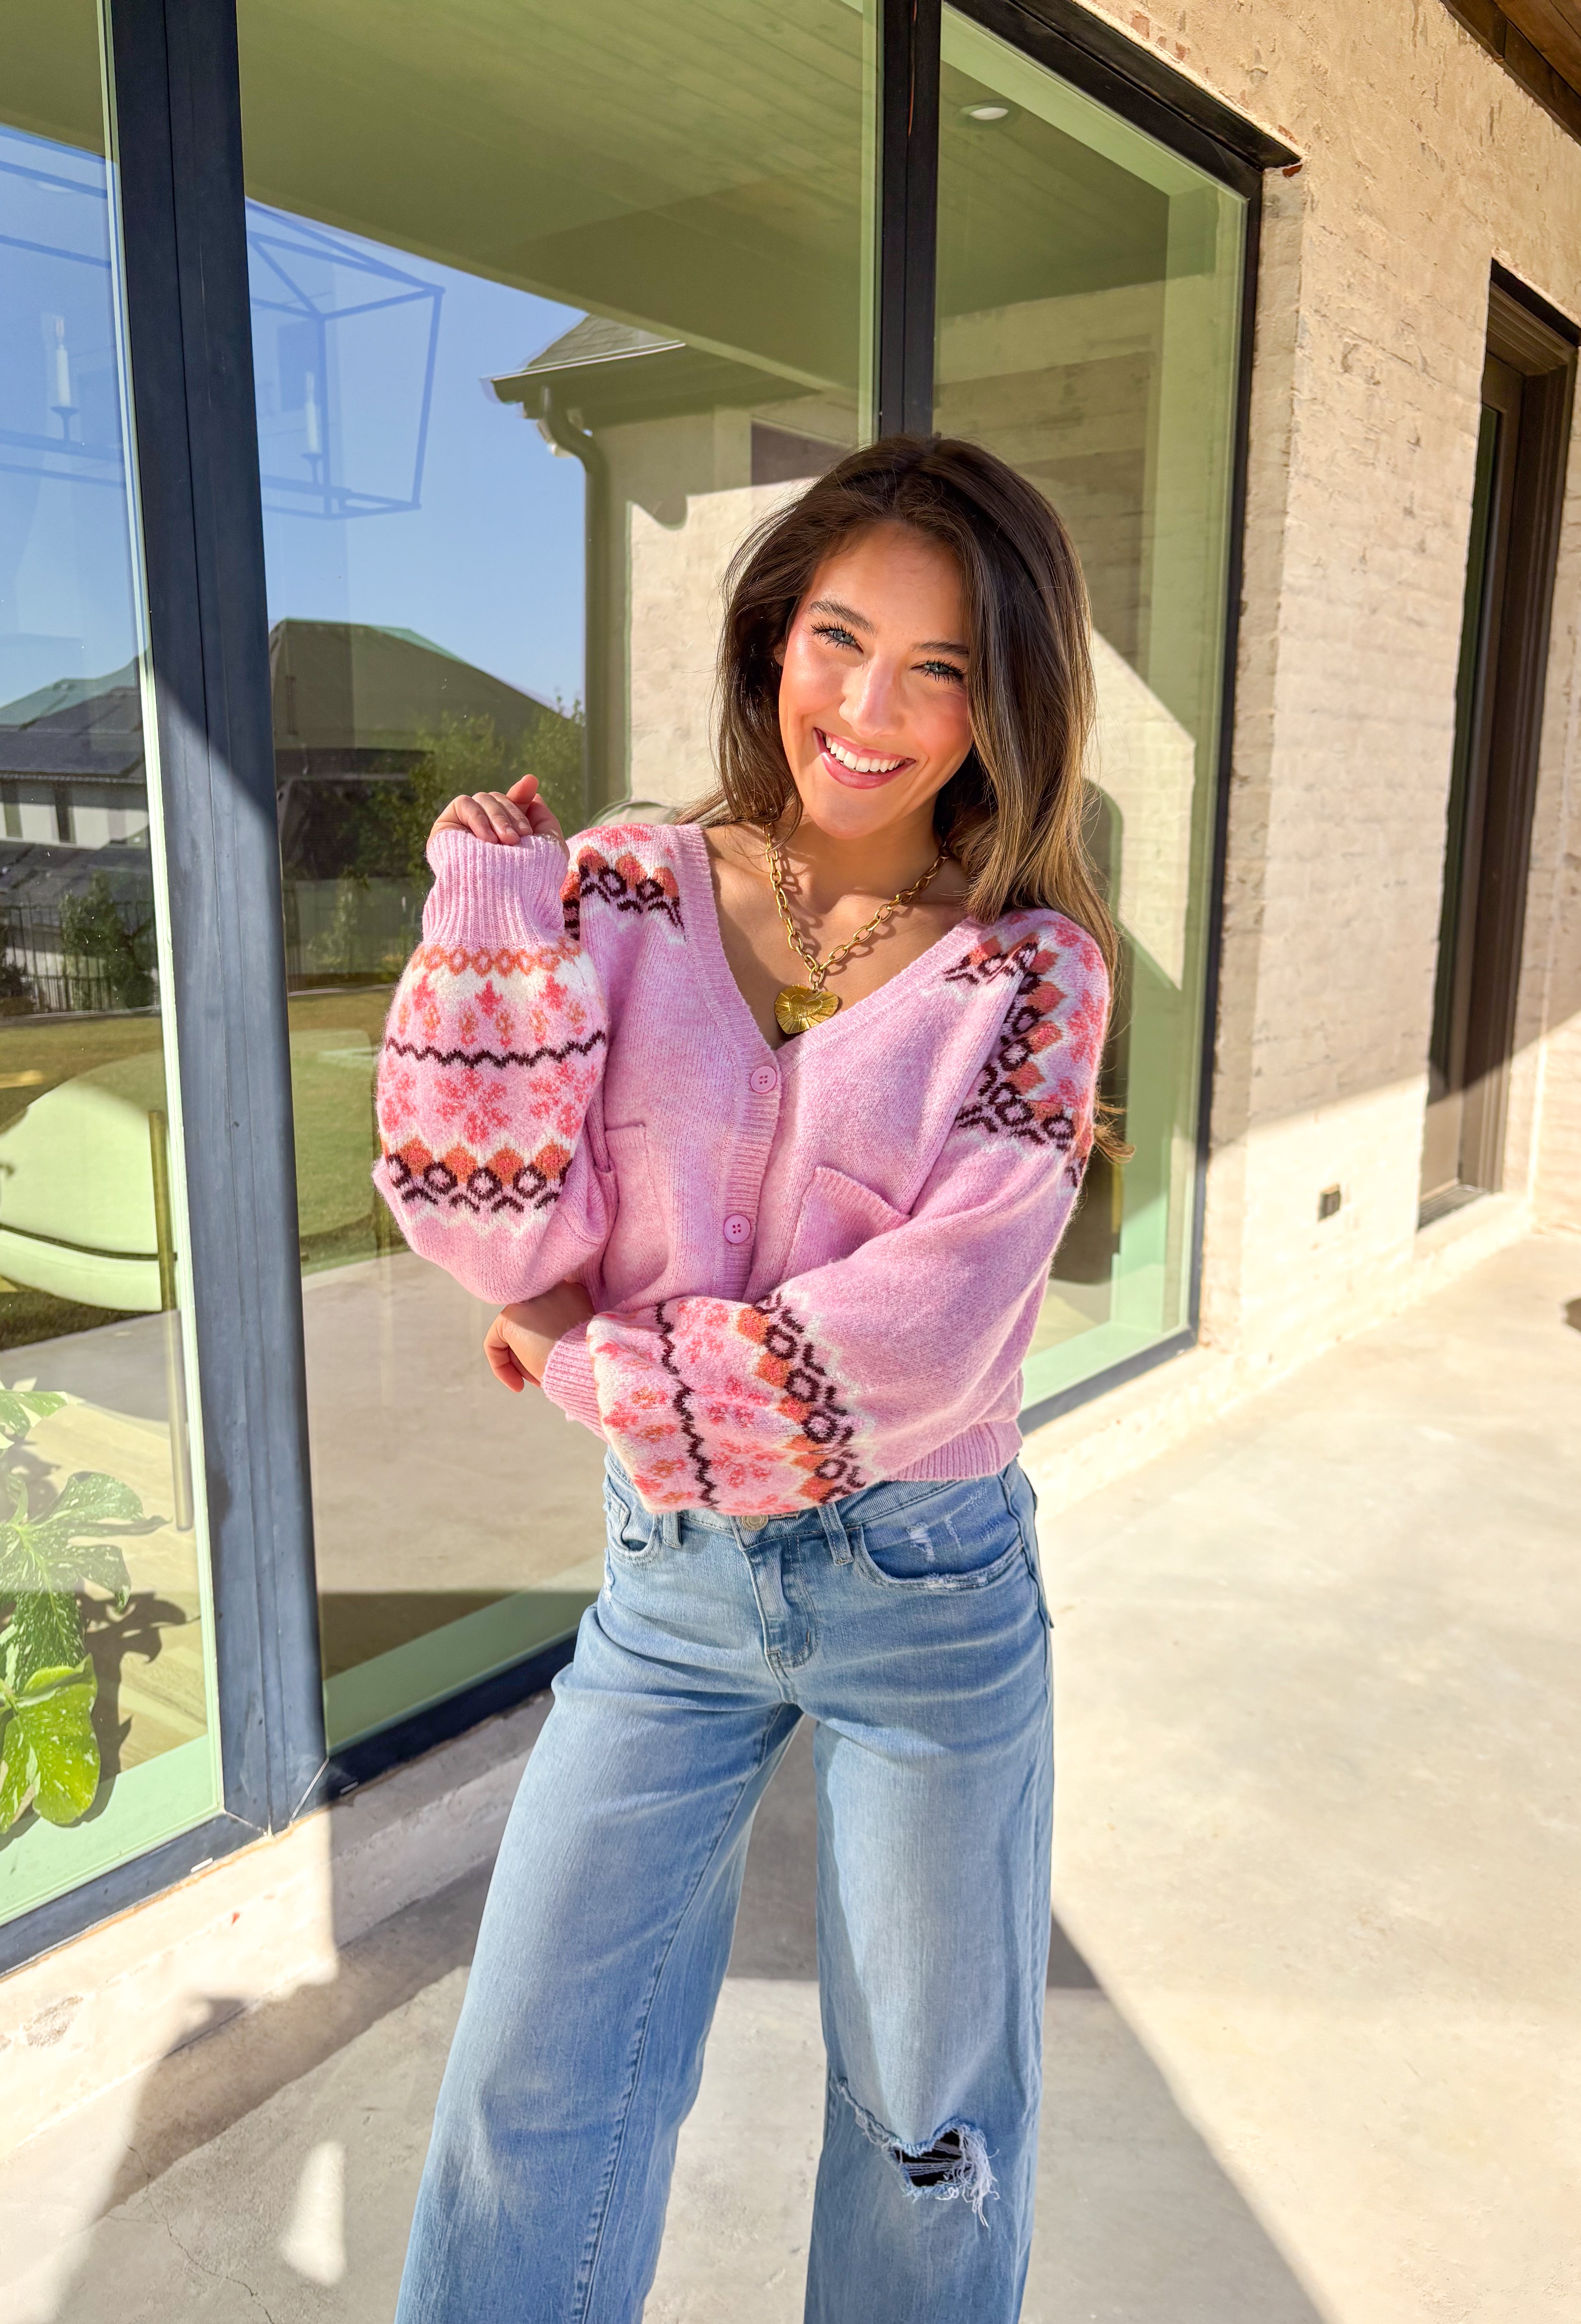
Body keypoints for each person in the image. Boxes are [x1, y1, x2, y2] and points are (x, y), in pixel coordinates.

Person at [380, 434, 1119, 2323]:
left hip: (928, 1599)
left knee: (926, 2122)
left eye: (940, 670)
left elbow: (926, 1336)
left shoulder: (1030, 982)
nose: (868, 710)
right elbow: (490, 1222)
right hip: (672, 1595)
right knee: (524, 2084)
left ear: (1004, 705)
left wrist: (587, 1358)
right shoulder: (623, 890)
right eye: (839, 638)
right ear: (773, 635)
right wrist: (485, 914)